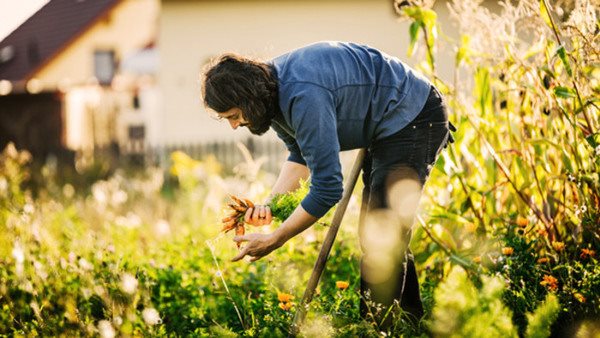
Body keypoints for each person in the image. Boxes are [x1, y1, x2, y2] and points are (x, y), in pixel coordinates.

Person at [201, 41, 453, 325]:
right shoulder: (270, 95)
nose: (234, 126)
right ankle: (409, 324)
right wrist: (270, 205)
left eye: (234, 116)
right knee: (383, 233)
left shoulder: (302, 96)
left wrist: (277, 238)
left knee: (382, 234)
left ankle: (376, 330)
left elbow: (328, 188)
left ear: (247, 98)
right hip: (386, 125)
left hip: (413, 115)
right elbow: (301, 156)